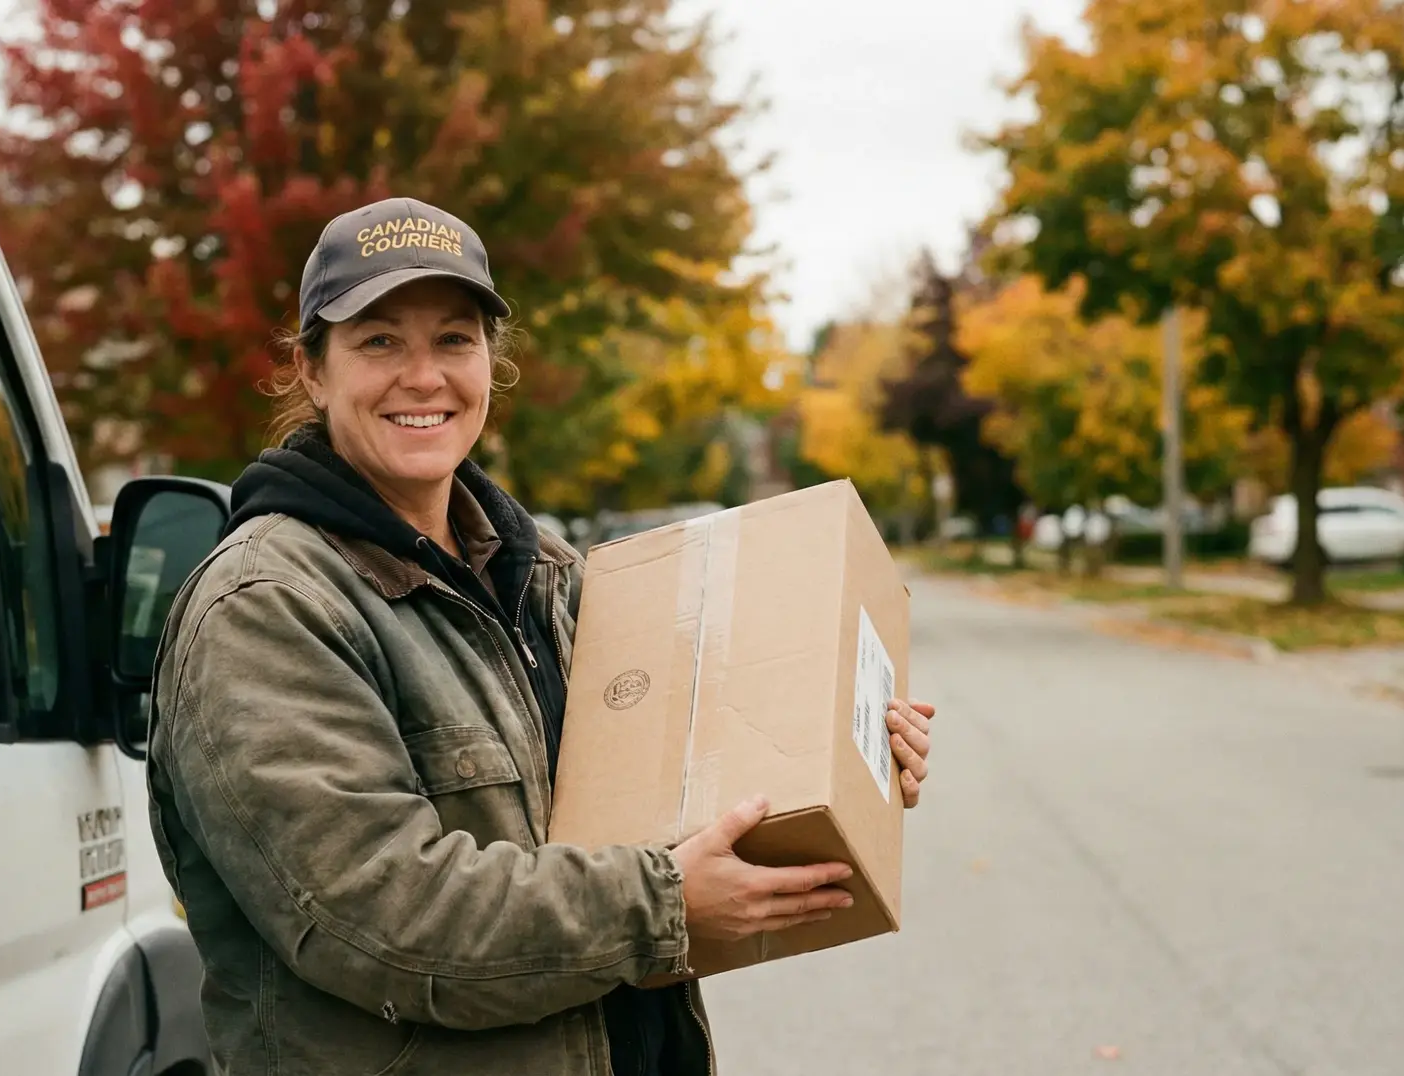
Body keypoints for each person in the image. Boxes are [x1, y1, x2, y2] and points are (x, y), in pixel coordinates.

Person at [144, 196, 939, 1075]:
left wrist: (845, 749)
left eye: (453, 339)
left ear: (491, 361)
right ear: (313, 370)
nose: (423, 375)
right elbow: (378, 918)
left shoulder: (549, 578)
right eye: (378, 341)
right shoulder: (268, 607)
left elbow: (680, 783)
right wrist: (663, 904)